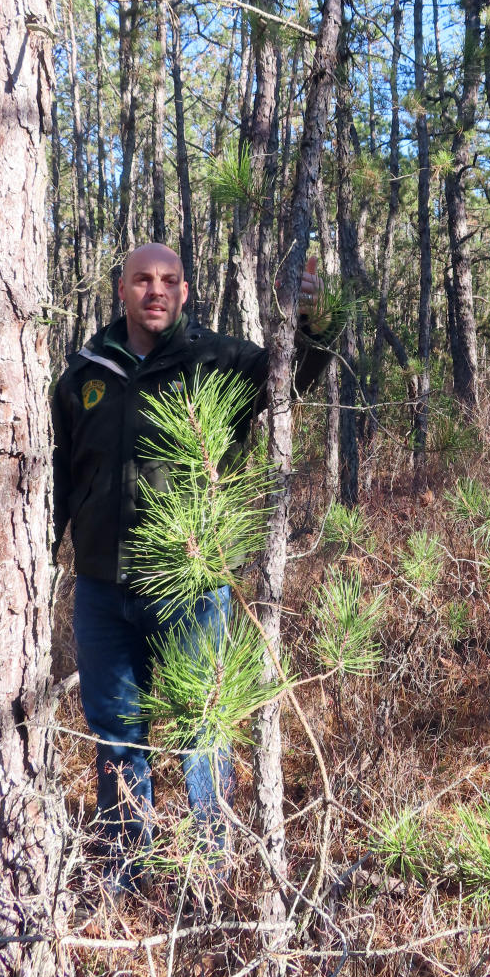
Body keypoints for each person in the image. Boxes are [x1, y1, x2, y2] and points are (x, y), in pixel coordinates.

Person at [52, 243, 330, 895]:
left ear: (185, 290)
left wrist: (317, 323)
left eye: (169, 280)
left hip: (193, 590)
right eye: (142, 279)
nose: (155, 290)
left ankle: (211, 876)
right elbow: (64, 473)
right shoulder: (83, 373)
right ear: (120, 289)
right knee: (117, 732)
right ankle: (126, 868)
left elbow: (292, 379)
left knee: (202, 728)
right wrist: (42, 553)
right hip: (101, 589)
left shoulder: (220, 362)